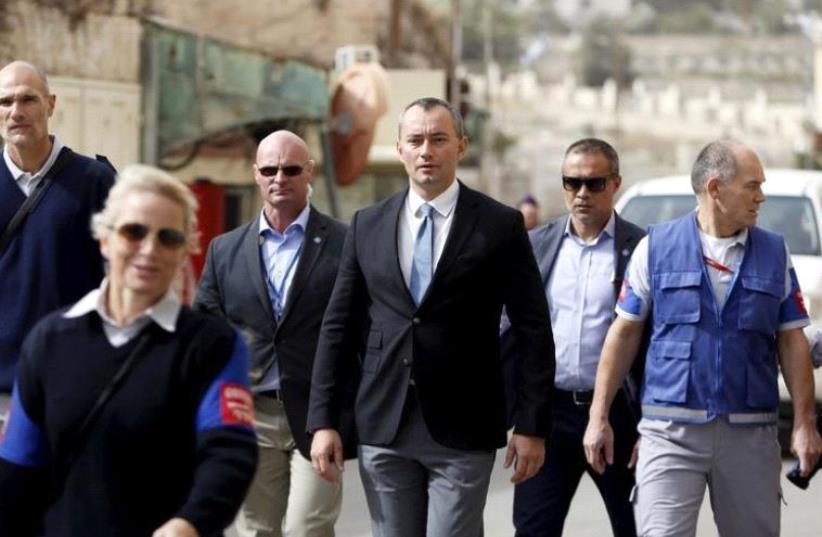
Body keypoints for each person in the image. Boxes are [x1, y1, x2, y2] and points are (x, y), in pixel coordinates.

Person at [307, 97, 555, 537]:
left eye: (439, 140)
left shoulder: (500, 225)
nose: (426, 151)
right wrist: (324, 420)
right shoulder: (367, 225)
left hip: (464, 425)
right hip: (384, 421)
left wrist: (532, 424)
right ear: (400, 147)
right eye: (416, 140)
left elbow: (533, 327)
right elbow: (338, 327)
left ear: (460, 146)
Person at [0, 165, 258, 537]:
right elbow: (18, 471)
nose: (149, 250)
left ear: (186, 249)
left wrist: (190, 523)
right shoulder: (48, 341)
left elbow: (229, 455)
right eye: (134, 232)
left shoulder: (212, 345)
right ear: (105, 239)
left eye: (168, 237)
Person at [583, 140, 822, 537]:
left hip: (750, 434)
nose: (761, 196)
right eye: (752, 186)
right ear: (715, 188)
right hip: (670, 434)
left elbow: (792, 341)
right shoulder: (654, 250)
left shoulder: (775, 253)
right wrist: (598, 417)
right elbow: (622, 334)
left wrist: (803, 424)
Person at [195, 130, 355, 537]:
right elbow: (205, 334)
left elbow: (359, 330)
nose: (279, 177)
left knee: (308, 528)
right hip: (250, 414)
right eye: (269, 169)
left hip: (318, 416)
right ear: (256, 175)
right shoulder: (224, 250)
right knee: (255, 531)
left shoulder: (345, 242)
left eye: (290, 169)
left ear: (309, 173)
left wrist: (336, 416)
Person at [509, 139, 642, 536]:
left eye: (594, 183)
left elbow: (655, 344)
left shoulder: (641, 250)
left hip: (619, 416)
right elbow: (516, 330)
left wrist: (650, 425)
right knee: (533, 528)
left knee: (635, 525)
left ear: (615, 183)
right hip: (549, 414)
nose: (582, 193)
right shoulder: (537, 246)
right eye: (572, 183)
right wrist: (522, 417)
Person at [0, 61, 115, 429]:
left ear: (50, 104)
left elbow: (120, 287)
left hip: (69, 389)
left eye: (27, 100)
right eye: (5, 102)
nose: (16, 112)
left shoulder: (96, 181)